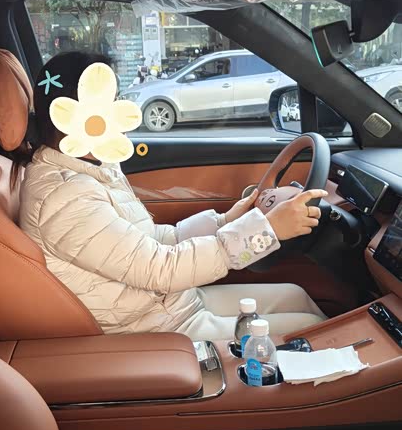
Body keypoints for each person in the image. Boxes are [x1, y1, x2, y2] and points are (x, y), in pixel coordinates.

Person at [17, 51, 326, 339]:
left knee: (295, 295)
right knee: (311, 330)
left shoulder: (92, 168)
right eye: (112, 102)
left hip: (168, 304)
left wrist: (225, 221)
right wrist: (266, 230)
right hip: (154, 327)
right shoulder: (66, 199)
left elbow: (150, 241)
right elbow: (160, 268)